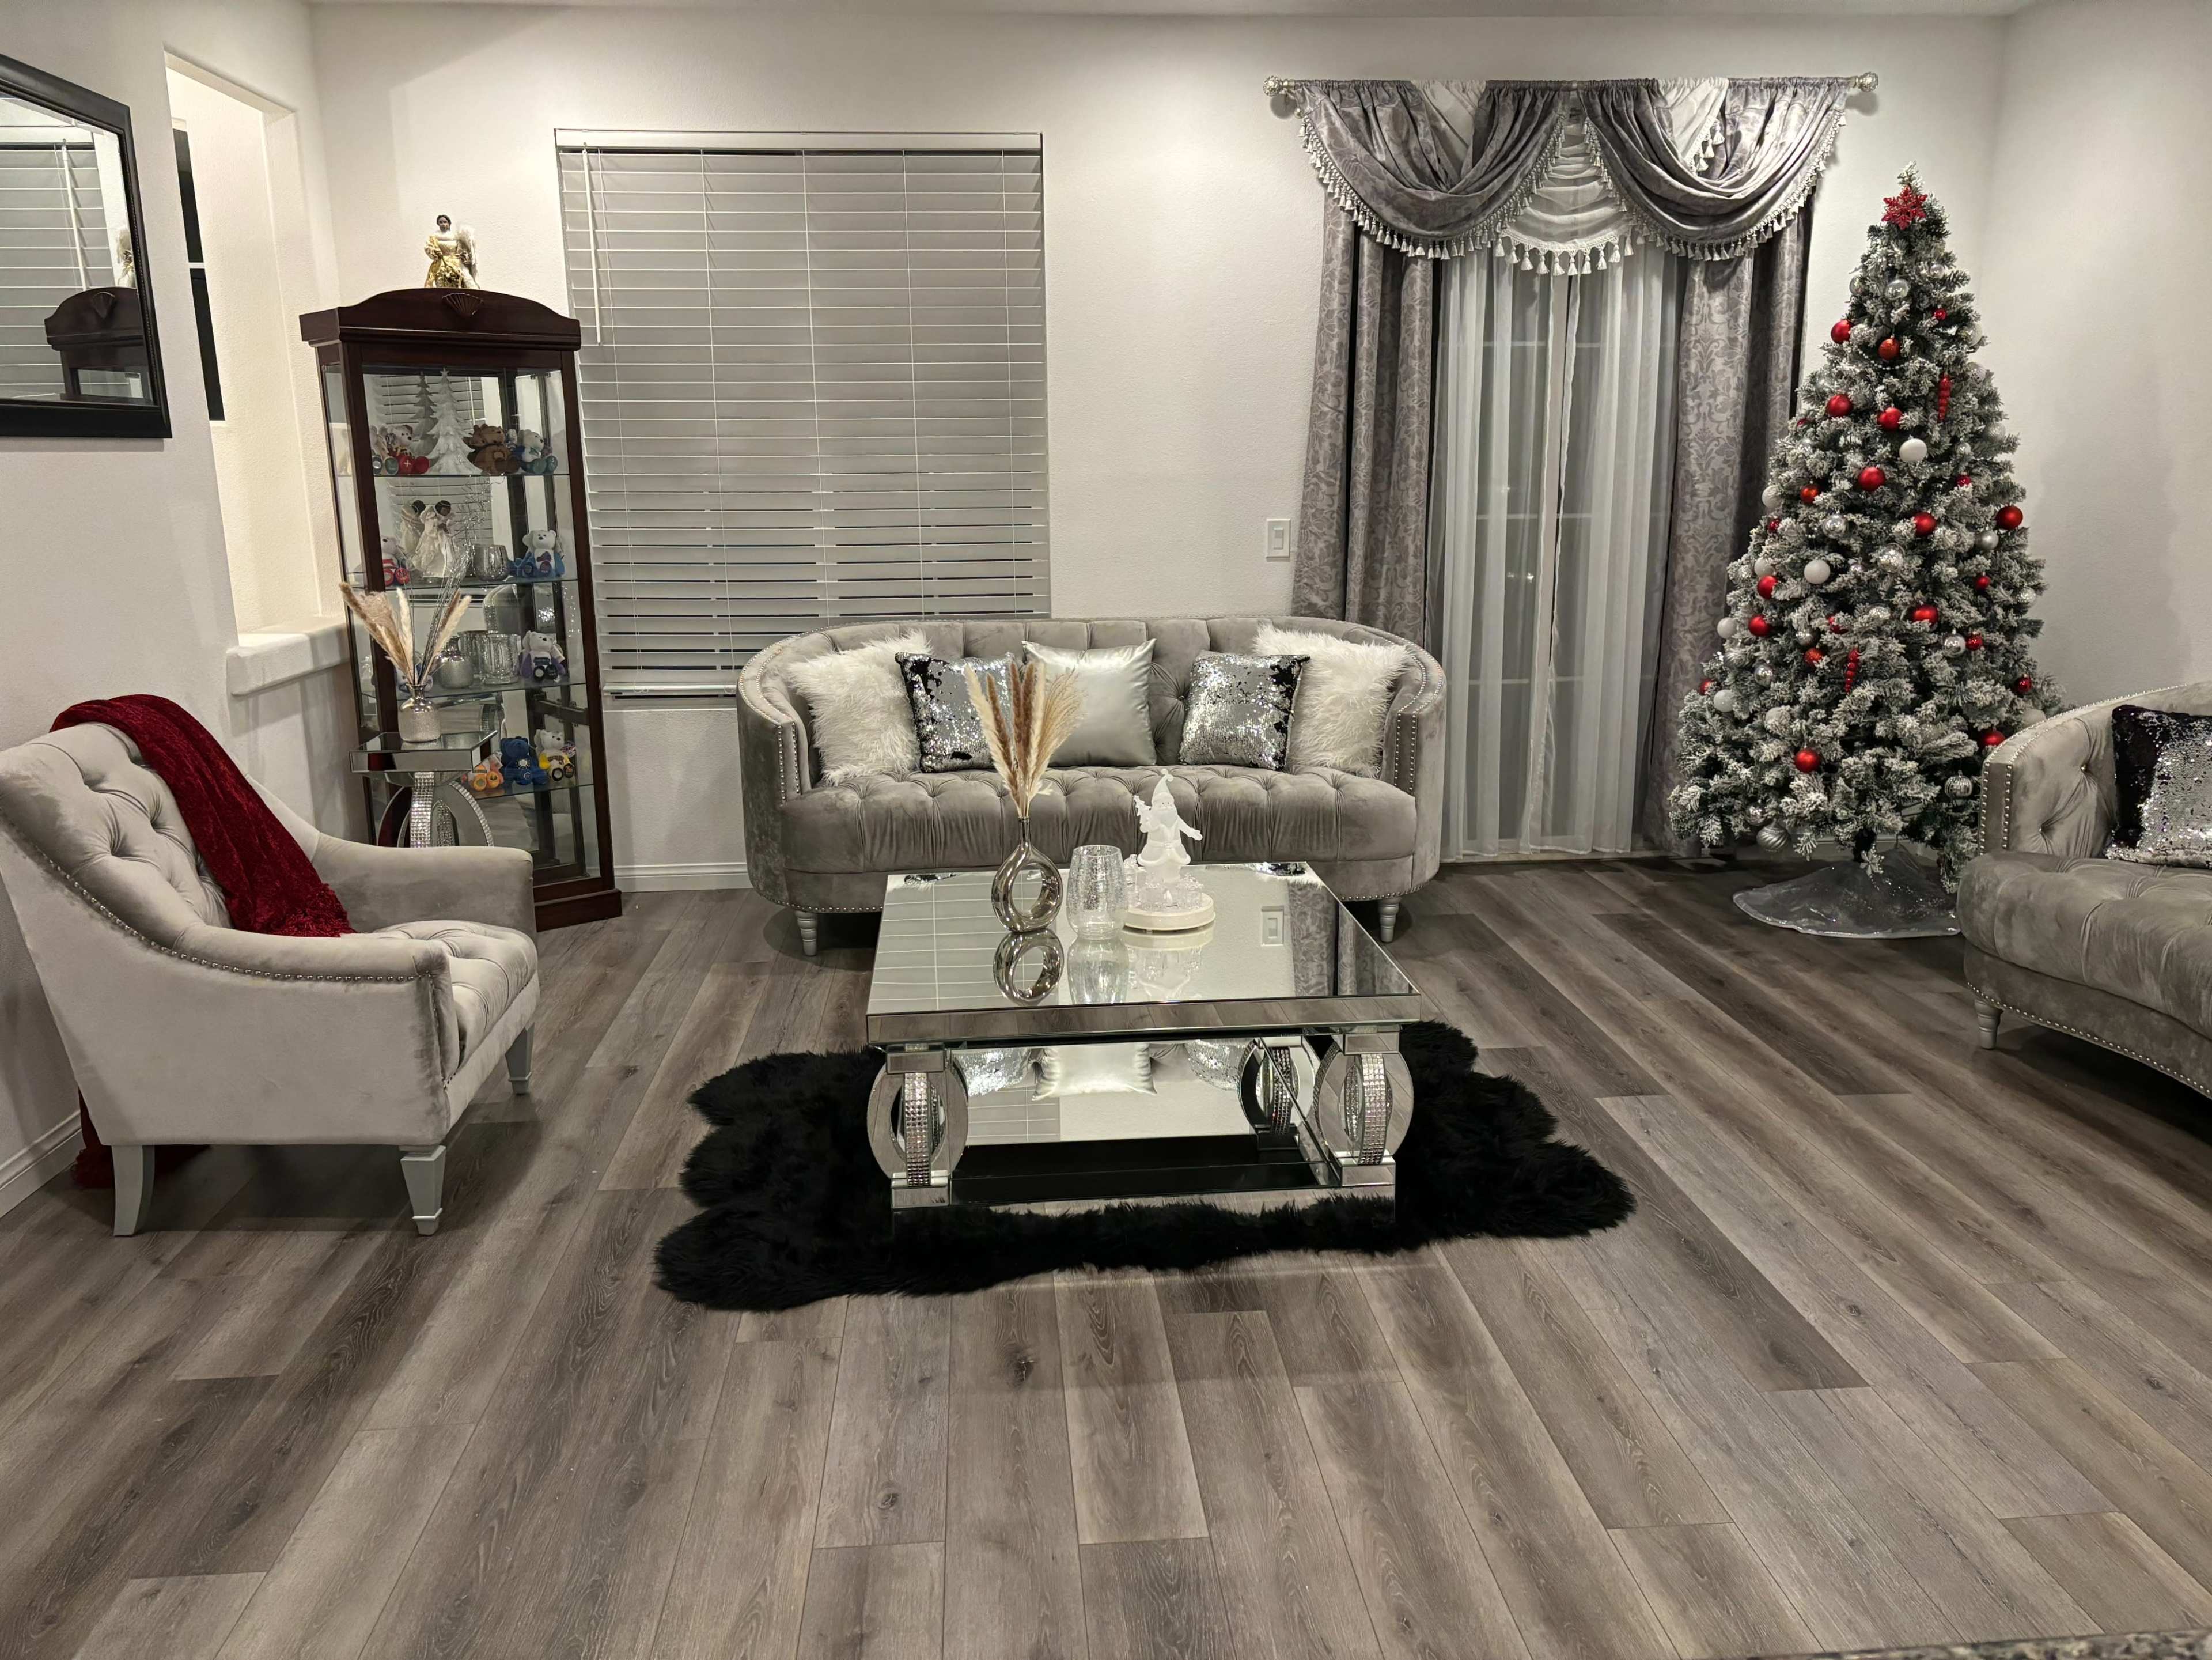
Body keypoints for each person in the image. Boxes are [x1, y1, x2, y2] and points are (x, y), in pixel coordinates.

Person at [422, 215, 477, 289]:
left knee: (466, 277)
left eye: (445, 222)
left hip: (456, 262)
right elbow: (429, 247)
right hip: (441, 263)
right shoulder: (435, 237)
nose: (443, 224)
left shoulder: (456, 237)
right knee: (440, 281)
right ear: (438, 224)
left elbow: (463, 250)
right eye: (440, 222)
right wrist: (436, 252)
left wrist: (464, 256)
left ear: (449, 224)